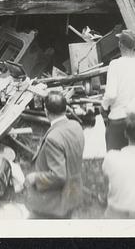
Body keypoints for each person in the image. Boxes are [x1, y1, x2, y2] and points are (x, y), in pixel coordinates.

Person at [25, 91, 85, 219]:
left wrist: (35, 177)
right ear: (66, 108)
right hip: (73, 193)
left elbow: (58, 176)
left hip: (54, 202)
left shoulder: (53, 138)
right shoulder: (76, 126)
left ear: (46, 111)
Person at [101, 30, 135, 150]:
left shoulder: (115, 64)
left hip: (118, 119)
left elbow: (111, 94)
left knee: (115, 160)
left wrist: (103, 106)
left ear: (120, 44)